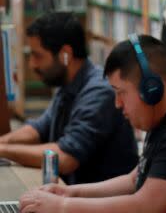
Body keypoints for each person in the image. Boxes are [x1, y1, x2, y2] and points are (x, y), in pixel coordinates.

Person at [19, 35, 166, 213]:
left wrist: (62, 206)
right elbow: (135, 180)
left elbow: (145, 205)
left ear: (152, 88)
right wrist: (69, 191)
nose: (118, 104)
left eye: (121, 93)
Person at [0, 12, 136, 184]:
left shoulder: (99, 92)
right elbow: (39, 129)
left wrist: (2, 150)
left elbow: (65, 158)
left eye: (38, 55)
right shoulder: (69, 84)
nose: (32, 64)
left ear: (65, 54)